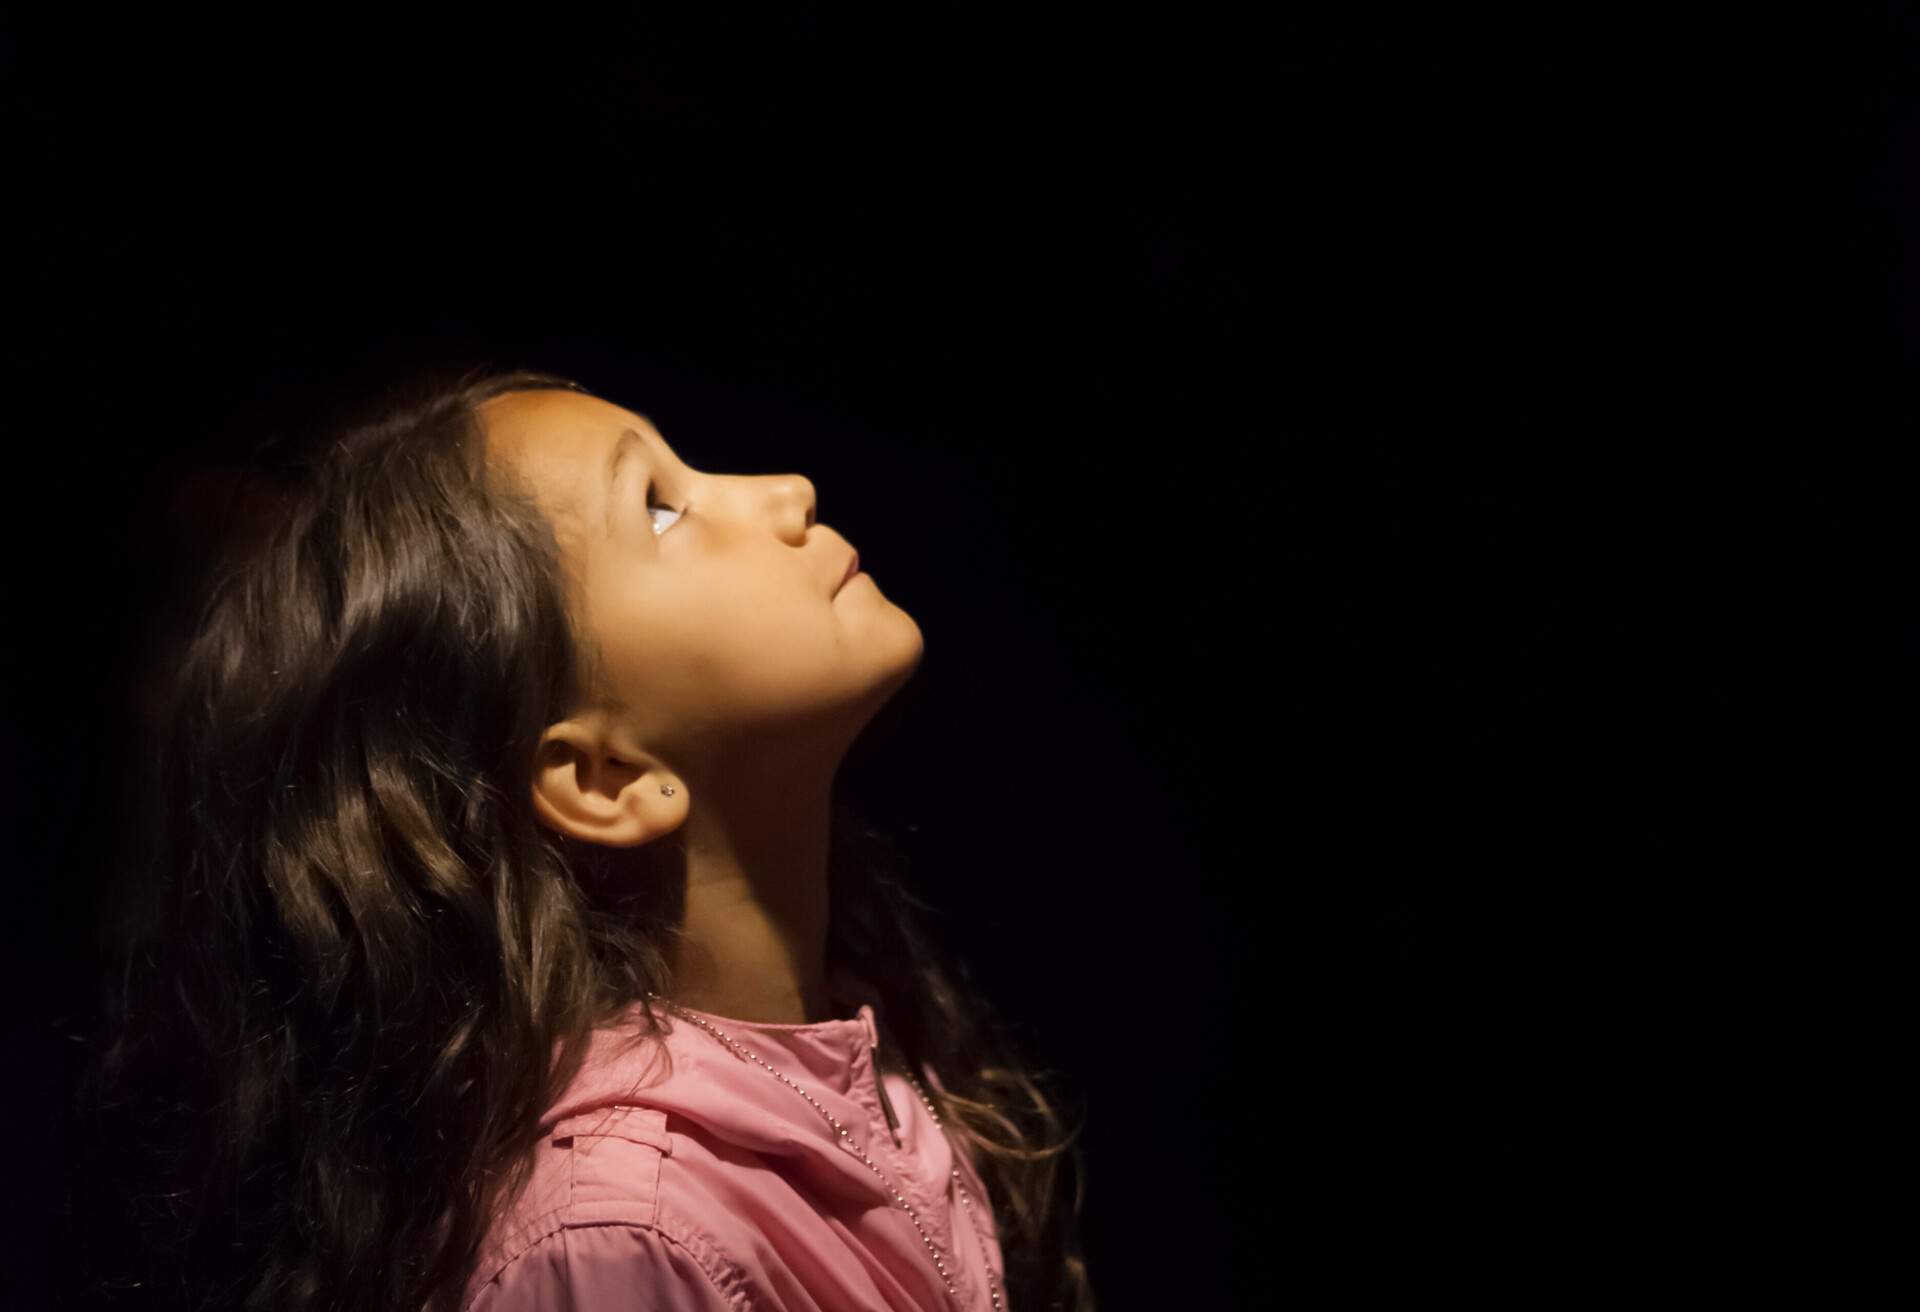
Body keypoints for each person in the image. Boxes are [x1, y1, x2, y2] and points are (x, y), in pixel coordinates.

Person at [74, 364, 1094, 1312]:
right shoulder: (622, 1243)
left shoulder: (856, 1047)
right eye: (660, 508)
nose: (786, 490)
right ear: (604, 778)